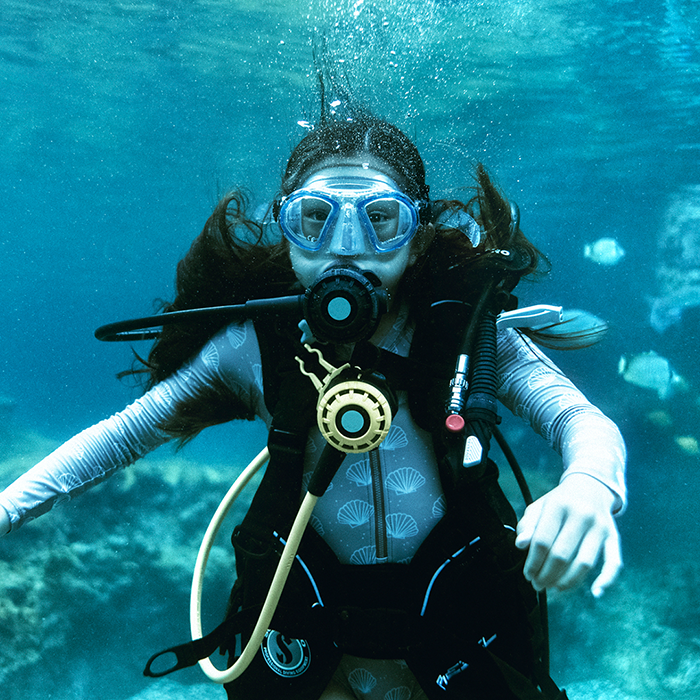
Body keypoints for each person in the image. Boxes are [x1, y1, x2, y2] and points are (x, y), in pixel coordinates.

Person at [0, 100, 626, 700]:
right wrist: (6, 509)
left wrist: (589, 487)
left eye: (381, 220)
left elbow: (580, 420)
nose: (345, 245)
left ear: (418, 232)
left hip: (457, 630)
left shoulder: (467, 333)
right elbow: (124, 434)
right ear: (285, 229)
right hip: (307, 643)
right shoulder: (252, 348)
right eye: (315, 218)